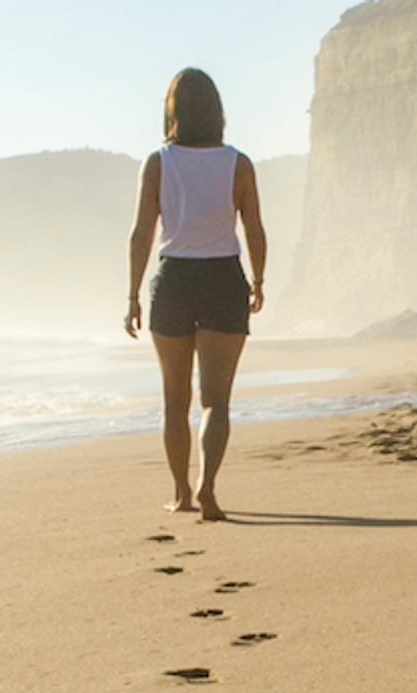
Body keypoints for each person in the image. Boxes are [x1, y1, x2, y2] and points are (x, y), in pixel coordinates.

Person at [124, 68, 267, 522]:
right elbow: (255, 230)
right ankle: (209, 486)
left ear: (173, 110)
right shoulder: (238, 163)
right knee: (215, 401)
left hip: (175, 280)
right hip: (224, 277)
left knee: (174, 399)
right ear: (217, 110)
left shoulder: (159, 162)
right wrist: (258, 281)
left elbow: (141, 235)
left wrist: (131, 295)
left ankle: (182, 492)